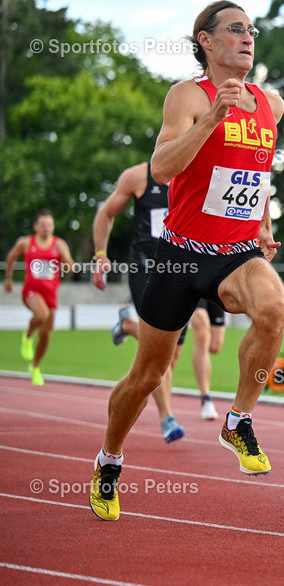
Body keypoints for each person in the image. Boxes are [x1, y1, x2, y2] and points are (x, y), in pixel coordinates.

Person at [89, 0, 284, 522]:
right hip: (180, 255)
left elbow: (257, 172)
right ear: (206, 40)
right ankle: (109, 459)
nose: (248, 37)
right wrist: (213, 119)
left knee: (274, 309)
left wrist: (264, 223)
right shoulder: (187, 96)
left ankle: (238, 420)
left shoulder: (270, 104)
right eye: (236, 29)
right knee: (148, 374)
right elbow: (161, 167)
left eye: (252, 30)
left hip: (236, 252)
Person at [92, 162, 223, 443]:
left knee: (168, 356)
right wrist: (101, 254)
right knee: (157, 345)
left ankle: (127, 325)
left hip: (182, 267)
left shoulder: (199, 172)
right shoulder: (138, 177)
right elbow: (106, 213)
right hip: (145, 266)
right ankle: (167, 417)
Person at [4, 210, 75, 386]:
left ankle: (35, 367)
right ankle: (28, 336)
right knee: (41, 315)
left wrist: (66, 260)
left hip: (50, 293)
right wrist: (8, 280)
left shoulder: (59, 244)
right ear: (36, 226)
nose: (46, 228)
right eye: (43, 225)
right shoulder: (26, 243)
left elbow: (70, 268)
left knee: (46, 335)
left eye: (49, 225)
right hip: (31, 291)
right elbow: (11, 258)